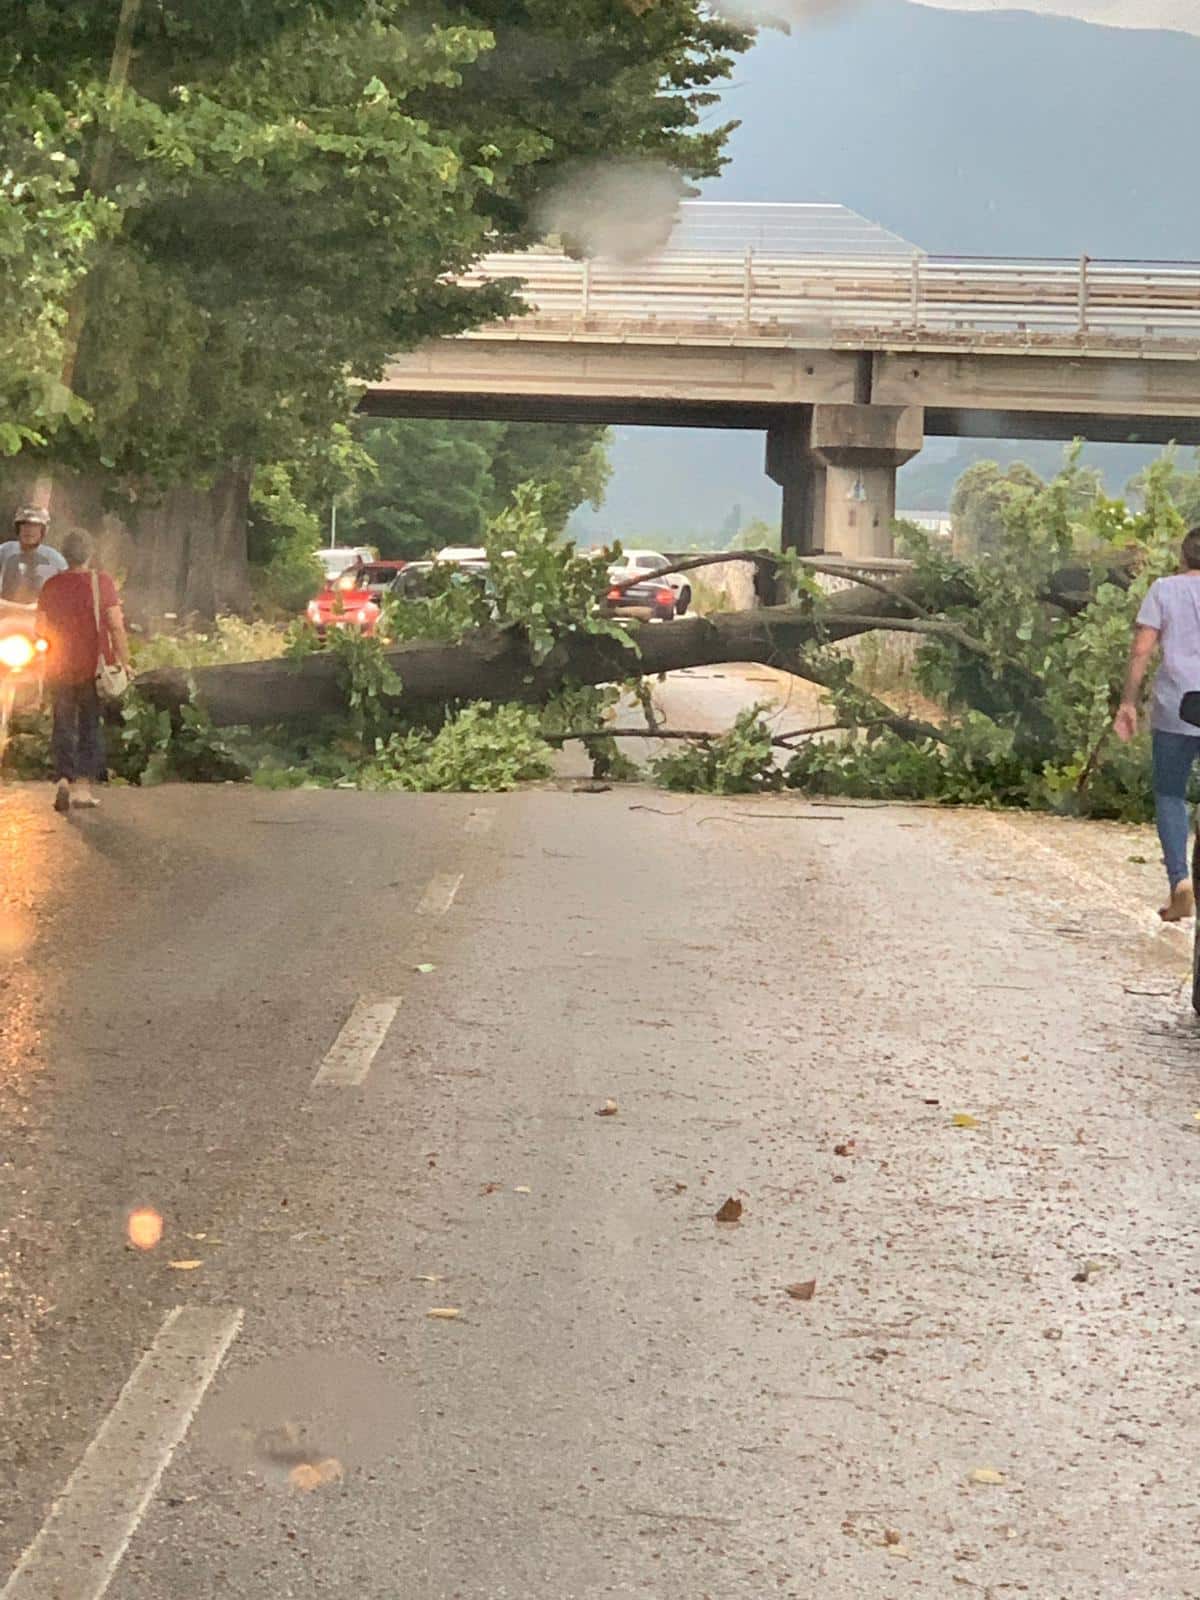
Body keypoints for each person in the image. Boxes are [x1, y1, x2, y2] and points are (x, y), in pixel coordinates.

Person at [1114, 526, 1200, 921]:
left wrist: (1128, 703)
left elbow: (1142, 650)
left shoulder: (1164, 589)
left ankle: (1180, 881)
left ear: (1184, 557)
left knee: (1170, 794)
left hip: (1177, 705)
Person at [36, 528, 132, 814]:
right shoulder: (101, 582)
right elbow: (115, 624)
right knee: (90, 725)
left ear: (65, 555)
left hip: (58, 665)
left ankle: (63, 779)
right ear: (89, 553)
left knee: (63, 724)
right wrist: (124, 661)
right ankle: (82, 789)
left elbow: (40, 629)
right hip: (94, 666)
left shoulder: (51, 585)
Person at [0, 506, 66, 605]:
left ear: (43, 530)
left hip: (38, 617)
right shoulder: (4, 552)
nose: (29, 530)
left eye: (35, 526)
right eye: (25, 525)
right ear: (18, 528)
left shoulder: (56, 561)